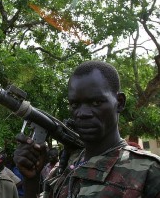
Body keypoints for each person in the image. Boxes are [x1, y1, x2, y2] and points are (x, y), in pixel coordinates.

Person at [13, 60, 160, 198]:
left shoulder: (149, 172)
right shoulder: (65, 169)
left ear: (119, 103)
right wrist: (31, 180)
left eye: (96, 102)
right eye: (75, 105)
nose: (82, 113)